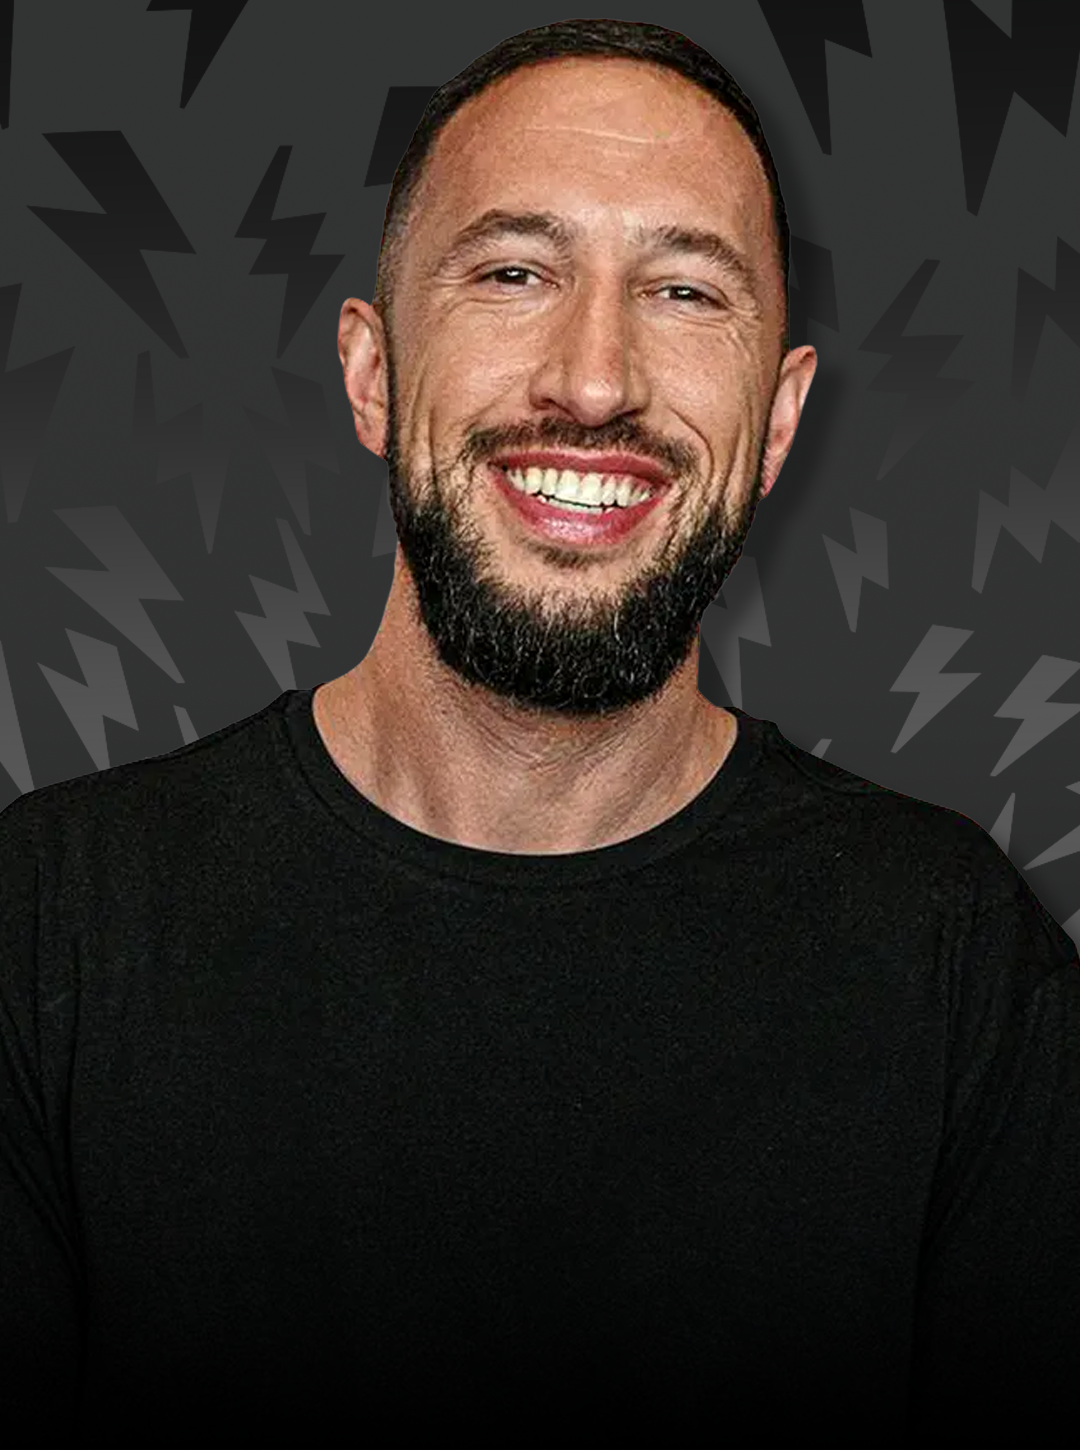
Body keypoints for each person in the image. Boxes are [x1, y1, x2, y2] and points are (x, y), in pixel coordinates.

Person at [2, 17, 1078, 1448]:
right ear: (373, 374)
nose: (593, 378)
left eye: (688, 291)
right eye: (515, 272)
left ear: (778, 419)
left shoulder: (963, 968)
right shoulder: (51, 919)